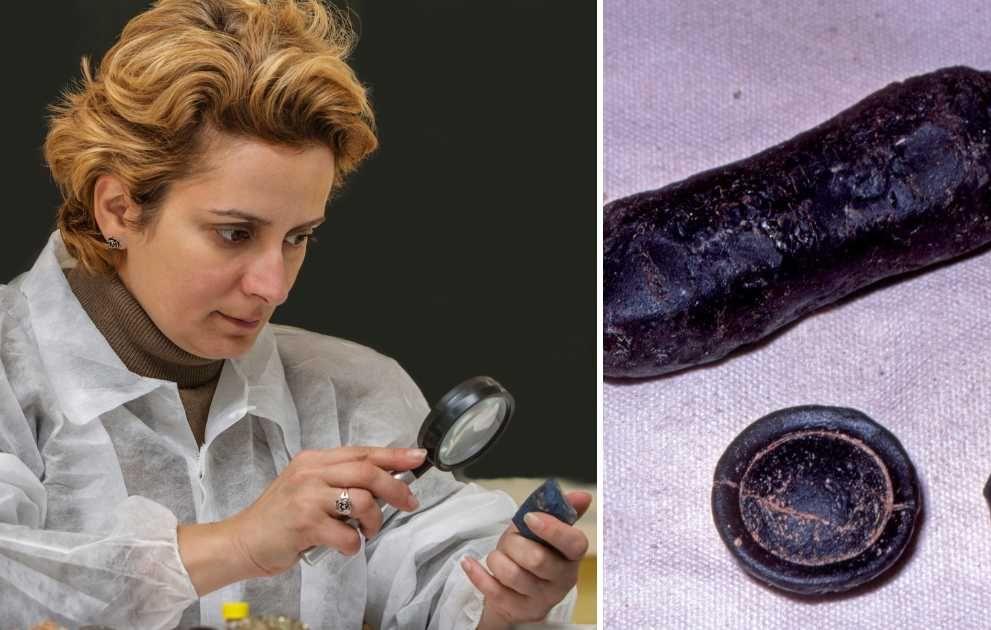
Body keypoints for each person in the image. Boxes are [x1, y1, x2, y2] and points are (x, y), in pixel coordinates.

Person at [0, 1, 590, 628]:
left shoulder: (350, 393)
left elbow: (441, 574)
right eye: (234, 233)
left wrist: (505, 598)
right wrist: (241, 543)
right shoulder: (13, 377)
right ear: (118, 208)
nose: (274, 286)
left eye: (298, 236)